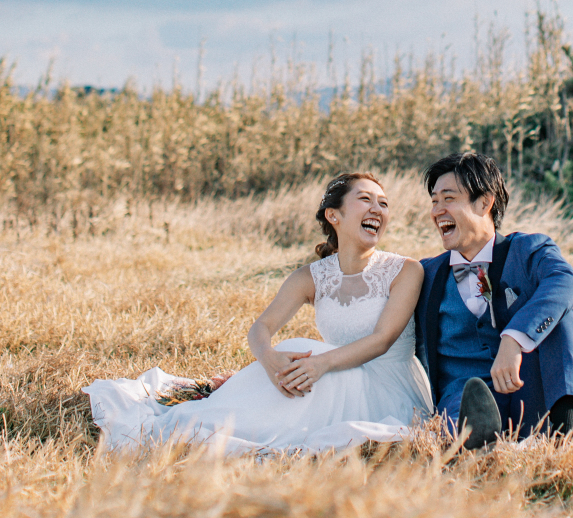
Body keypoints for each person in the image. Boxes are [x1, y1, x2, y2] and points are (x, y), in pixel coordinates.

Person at [84, 173, 432, 453]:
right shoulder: (311, 277)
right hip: (326, 377)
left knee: (308, 355)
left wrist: (319, 364)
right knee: (290, 356)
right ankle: (211, 422)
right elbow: (262, 327)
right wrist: (268, 358)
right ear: (334, 215)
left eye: (383, 204)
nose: (378, 209)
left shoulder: (404, 270)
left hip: (388, 389)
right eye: (366, 199)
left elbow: (382, 340)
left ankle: (233, 424)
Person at [415, 152, 573, 449]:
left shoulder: (528, 249)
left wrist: (515, 339)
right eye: (433, 201)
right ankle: (478, 439)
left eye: (448, 198)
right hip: (464, 393)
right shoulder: (425, 273)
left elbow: (565, 281)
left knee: (560, 316)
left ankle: (563, 428)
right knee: (463, 425)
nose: (437, 210)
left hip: (527, 388)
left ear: (484, 202)